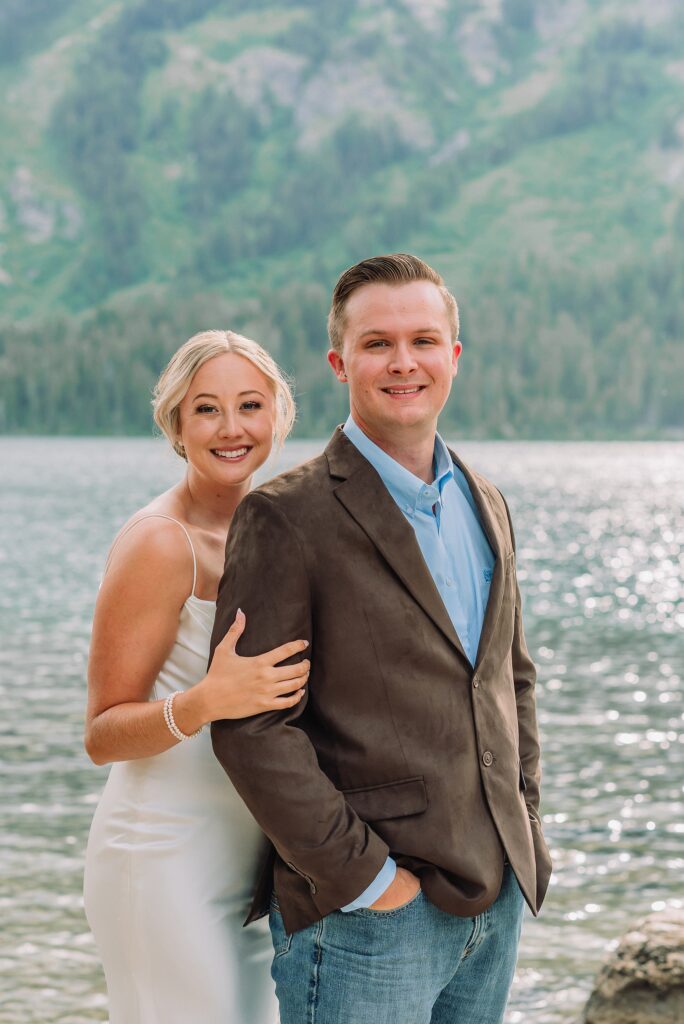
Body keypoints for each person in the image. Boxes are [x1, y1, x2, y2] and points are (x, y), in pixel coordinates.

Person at [210, 255, 552, 1024]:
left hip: (494, 901)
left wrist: (524, 822)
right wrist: (368, 882)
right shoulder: (283, 518)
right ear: (339, 362)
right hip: (366, 924)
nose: (404, 362)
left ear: (454, 357)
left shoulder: (487, 501)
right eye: (377, 344)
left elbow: (510, 681)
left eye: (424, 340)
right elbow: (251, 726)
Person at [83, 330, 309, 1024]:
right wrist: (205, 702)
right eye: (207, 409)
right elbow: (102, 733)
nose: (232, 428)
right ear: (177, 424)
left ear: (277, 414)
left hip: (251, 869)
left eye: (250, 405)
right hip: (163, 859)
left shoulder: (277, 523)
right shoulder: (160, 542)